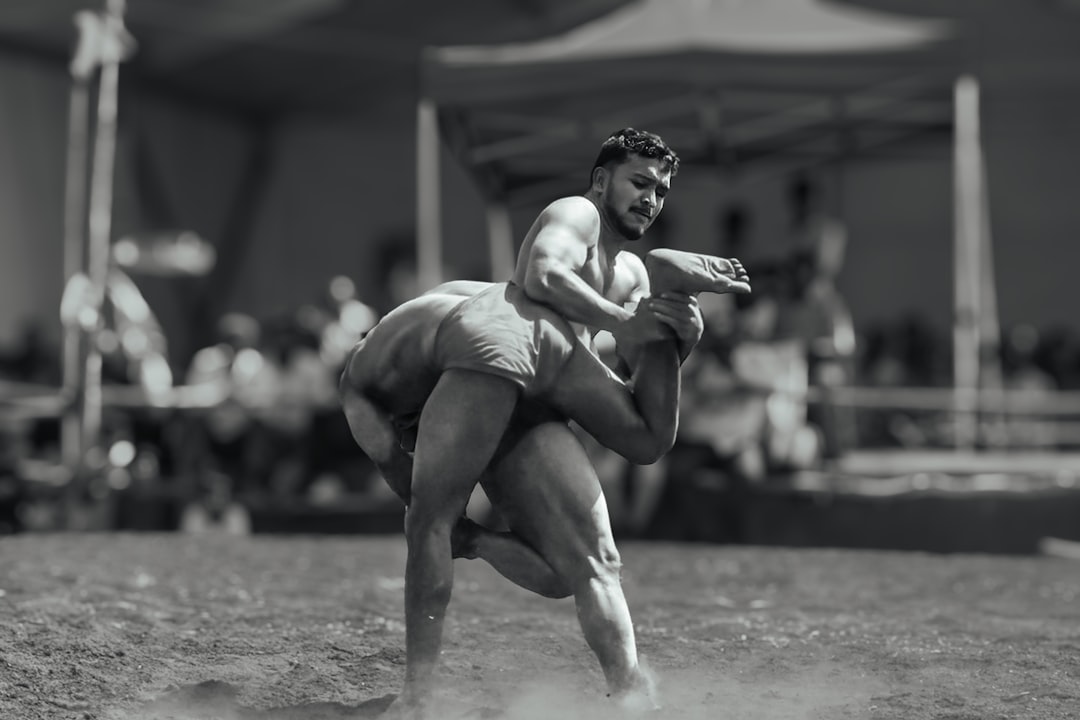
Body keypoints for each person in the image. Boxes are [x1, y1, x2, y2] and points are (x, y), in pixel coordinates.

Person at [340, 129, 750, 716]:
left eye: (660, 190)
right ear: (603, 179)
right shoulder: (597, 253)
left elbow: (540, 275)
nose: (651, 199)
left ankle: (416, 701)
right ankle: (631, 695)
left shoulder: (575, 214)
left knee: (427, 523)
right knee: (586, 557)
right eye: (641, 183)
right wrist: (473, 540)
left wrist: (651, 333)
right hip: (541, 356)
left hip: (509, 340)